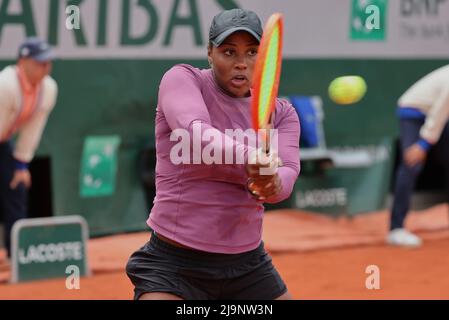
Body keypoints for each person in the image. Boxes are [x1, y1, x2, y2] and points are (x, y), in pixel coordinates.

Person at [126, 9, 300, 300]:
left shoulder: (281, 113)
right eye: (229, 52)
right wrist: (251, 158)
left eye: (252, 52)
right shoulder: (182, 80)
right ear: (210, 53)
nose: (241, 64)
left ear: (265, 59)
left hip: (247, 267)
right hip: (174, 265)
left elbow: (288, 173)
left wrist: (272, 184)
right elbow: (196, 131)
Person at [0, 38, 58, 258]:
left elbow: (34, 126)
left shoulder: (49, 88)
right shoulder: (5, 85)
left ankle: (17, 255)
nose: (45, 67)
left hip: (4, 141)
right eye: (39, 62)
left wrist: (21, 164)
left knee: (17, 187)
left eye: (48, 62)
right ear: (22, 61)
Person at [387, 64, 449, 247]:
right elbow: (440, 110)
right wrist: (423, 144)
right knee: (412, 164)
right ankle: (396, 229)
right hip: (414, 110)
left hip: (439, 116)